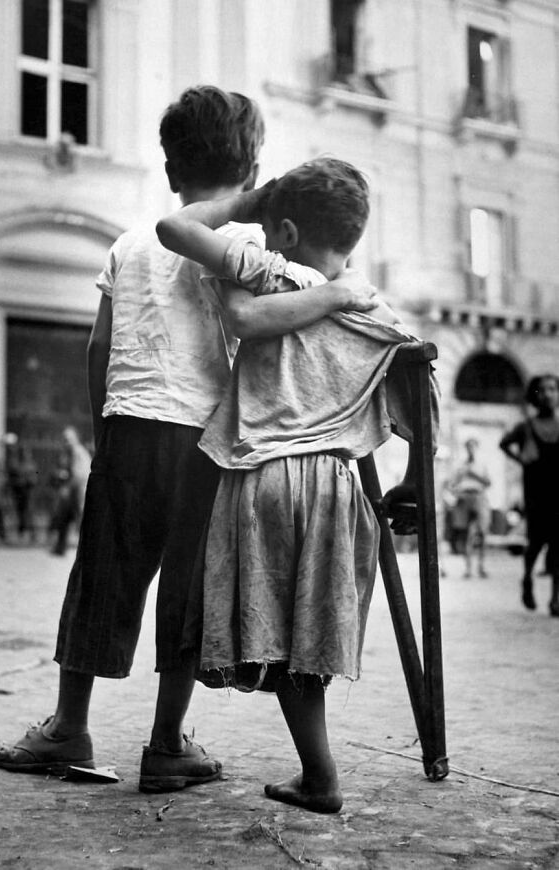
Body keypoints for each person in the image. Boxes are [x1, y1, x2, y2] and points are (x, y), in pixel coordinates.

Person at [0, 86, 379, 790]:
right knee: (189, 592)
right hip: (207, 439)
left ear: (171, 169)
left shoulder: (131, 241)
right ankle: (166, 743)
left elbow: (99, 346)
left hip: (130, 427)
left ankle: (69, 726)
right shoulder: (256, 242)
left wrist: (104, 425)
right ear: (254, 165)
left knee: (103, 578)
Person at [156, 157, 435, 814]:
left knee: (275, 636)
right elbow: (421, 414)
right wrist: (413, 488)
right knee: (308, 638)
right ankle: (318, 775)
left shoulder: (272, 271)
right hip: (338, 491)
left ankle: (322, 777)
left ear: (283, 228)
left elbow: (175, 227)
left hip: (264, 478)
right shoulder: (379, 315)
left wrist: (246, 205)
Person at [499, 374, 559, 615]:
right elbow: (504, 443)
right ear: (535, 396)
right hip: (536, 494)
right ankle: (527, 579)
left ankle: (555, 598)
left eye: (553, 389)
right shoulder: (526, 427)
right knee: (535, 543)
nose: (548, 394)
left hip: (558, 494)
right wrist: (520, 459)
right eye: (543, 390)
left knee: (558, 545)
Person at [447, 438, 491, 579]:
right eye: (468, 447)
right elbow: (451, 485)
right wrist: (458, 492)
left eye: (473, 447)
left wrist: (474, 474)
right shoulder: (461, 465)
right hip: (464, 498)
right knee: (466, 534)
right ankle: (468, 568)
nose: (470, 450)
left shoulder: (481, 464)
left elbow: (488, 482)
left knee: (483, 533)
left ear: (476, 448)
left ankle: (481, 566)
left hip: (478, 497)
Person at [49, 426, 92, 556]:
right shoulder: (67, 453)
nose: (66, 441)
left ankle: (85, 550)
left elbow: (80, 474)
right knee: (65, 518)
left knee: (79, 519)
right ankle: (60, 547)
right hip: (72, 489)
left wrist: (67, 486)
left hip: (78, 490)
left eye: (68, 439)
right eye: (64, 439)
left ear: (75, 439)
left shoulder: (78, 452)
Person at [7, 442, 39, 543]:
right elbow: (11, 477)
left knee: (29, 512)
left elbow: (35, 477)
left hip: (28, 491)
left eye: (26, 452)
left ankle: (33, 534)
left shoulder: (32, 464)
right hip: (19, 492)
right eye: (23, 452)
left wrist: (29, 480)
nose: (25, 454)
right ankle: (21, 533)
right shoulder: (15, 463)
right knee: (20, 513)